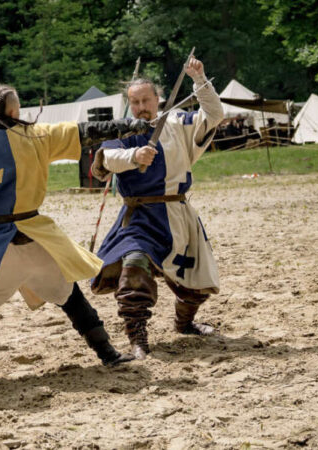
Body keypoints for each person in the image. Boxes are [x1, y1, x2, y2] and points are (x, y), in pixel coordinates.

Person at [0, 84, 150, 388]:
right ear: (13, 112)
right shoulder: (39, 136)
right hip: (35, 239)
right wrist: (130, 126)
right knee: (70, 296)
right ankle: (108, 354)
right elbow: (87, 131)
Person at [89, 56, 224, 359]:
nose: (140, 107)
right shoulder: (121, 130)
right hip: (138, 217)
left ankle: (184, 323)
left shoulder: (178, 124)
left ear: (157, 99)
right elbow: (107, 159)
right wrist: (134, 156)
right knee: (134, 268)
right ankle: (137, 337)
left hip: (178, 215)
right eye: (134, 102)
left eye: (145, 100)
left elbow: (214, 114)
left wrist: (200, 81)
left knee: (197, 283)